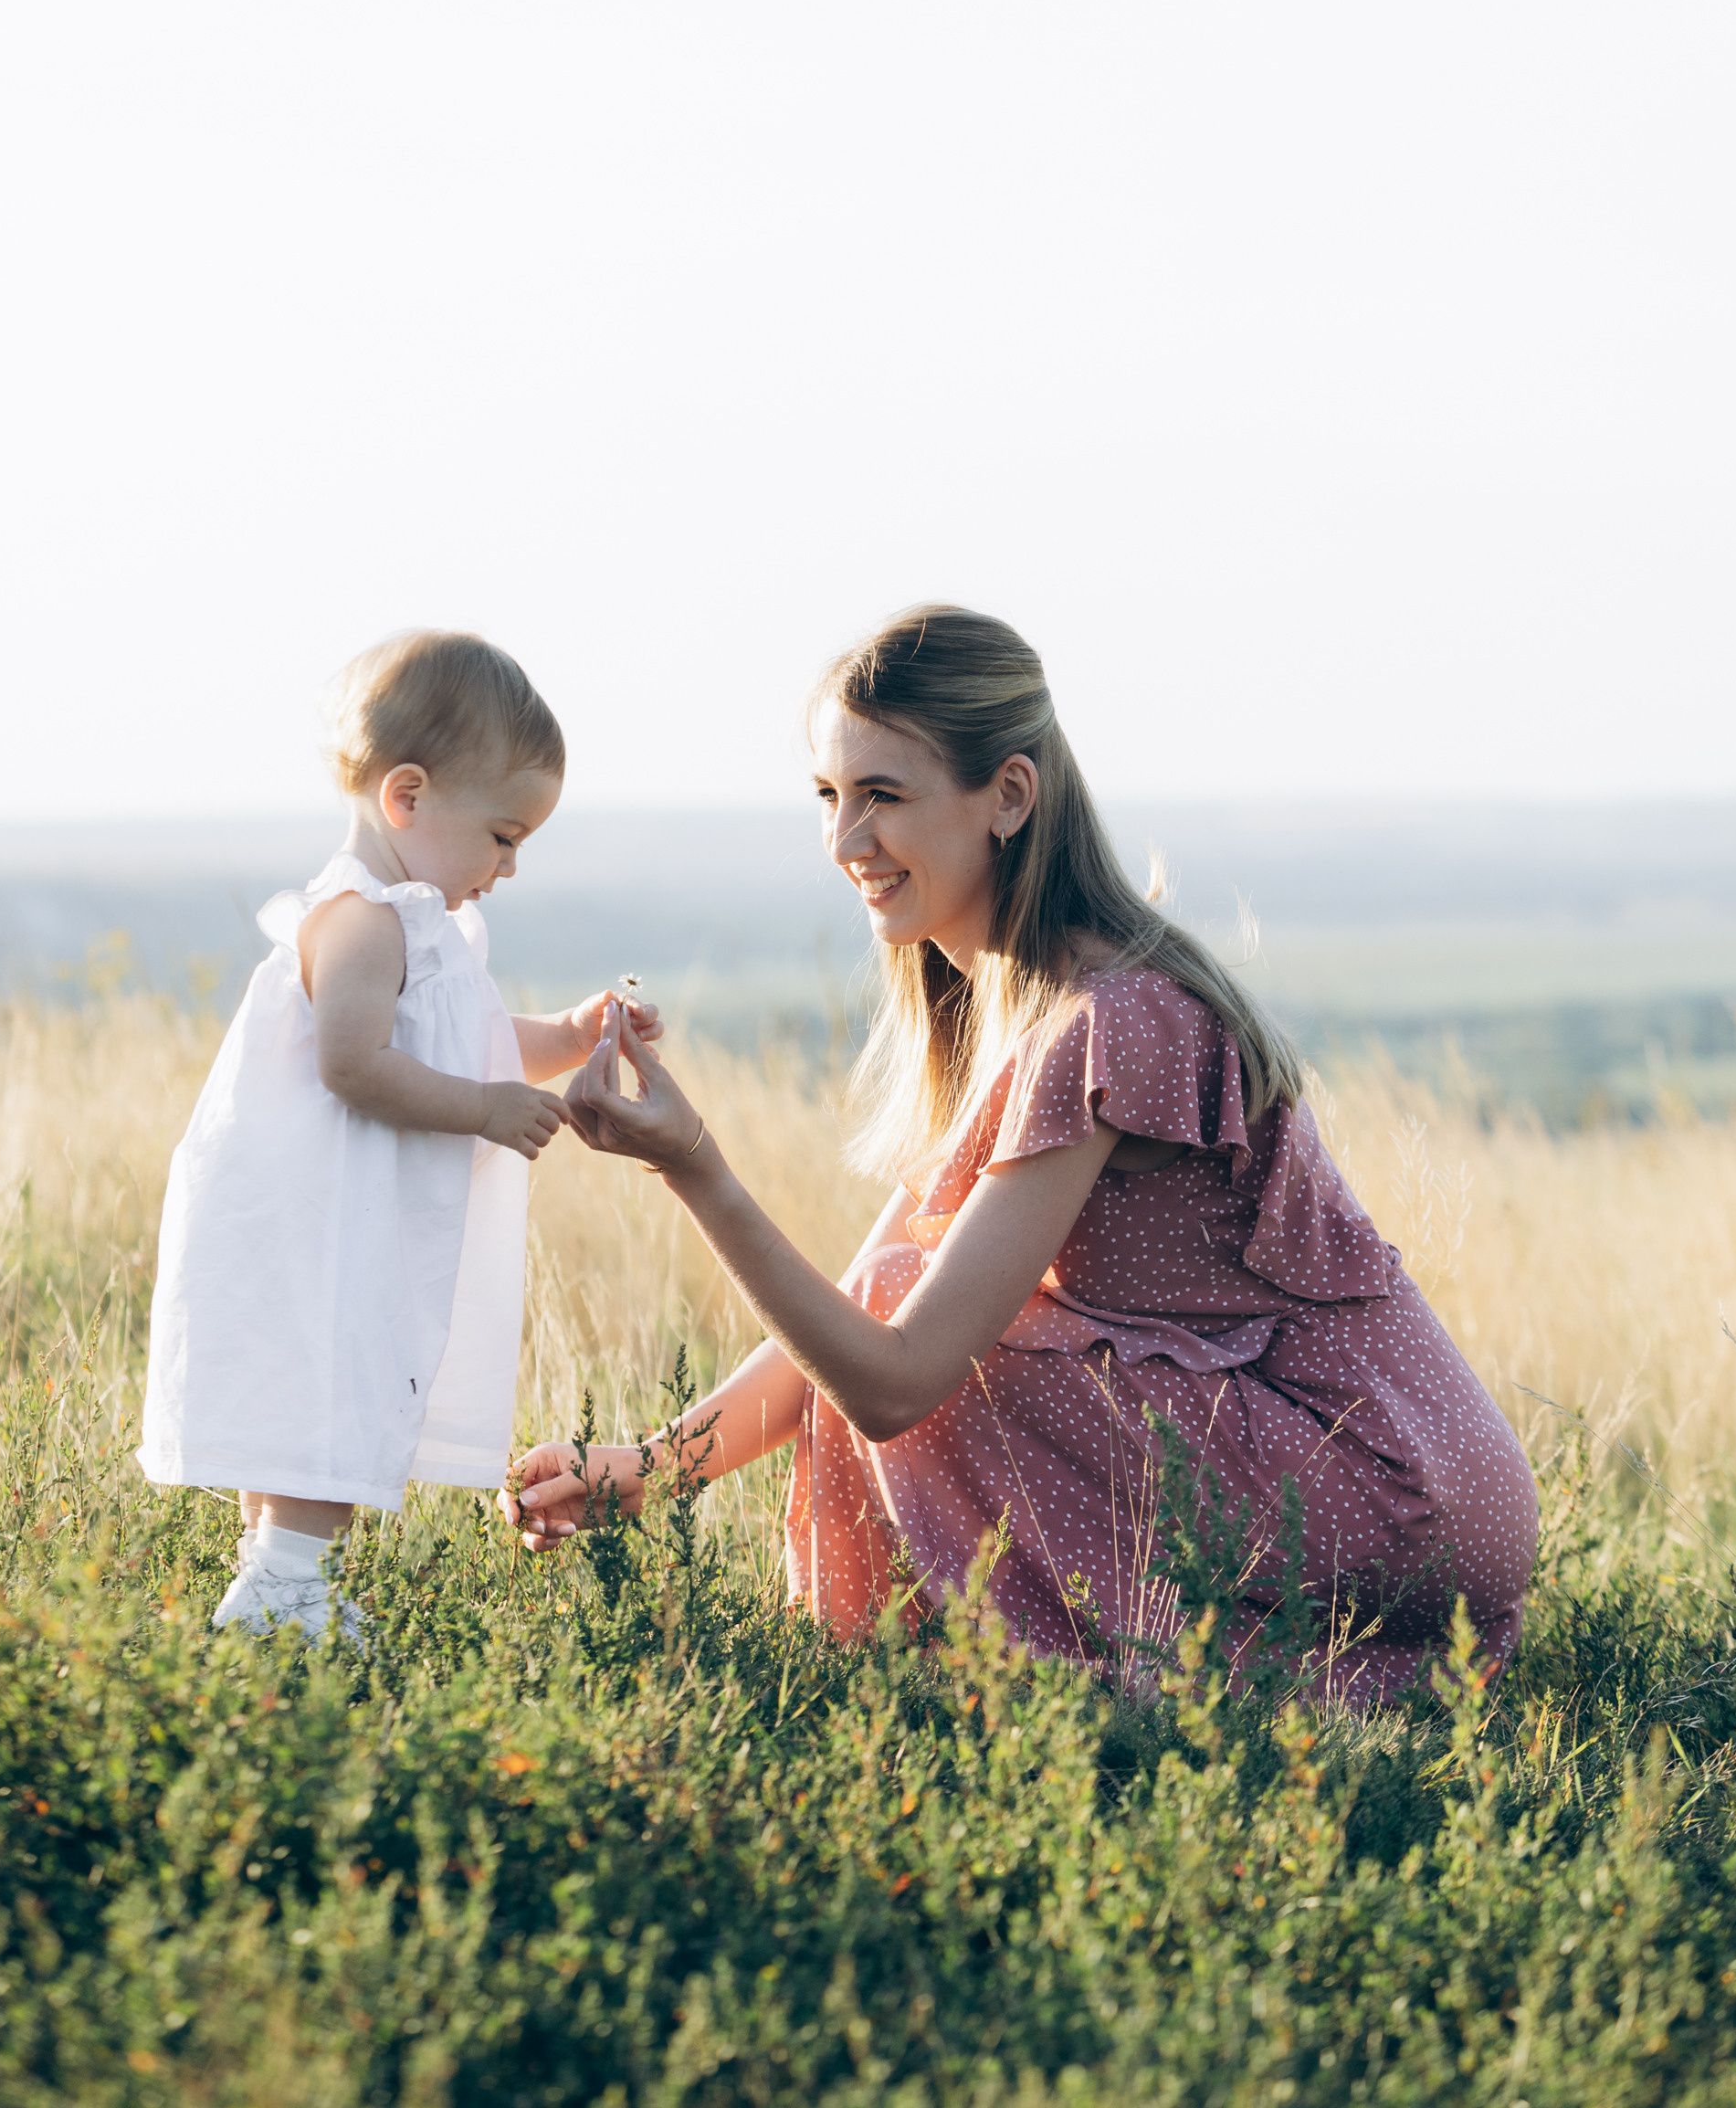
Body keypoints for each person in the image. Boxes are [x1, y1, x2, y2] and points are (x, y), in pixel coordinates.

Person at [510, 606, 1538, 1704]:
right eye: (829, 796)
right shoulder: (1009, 996)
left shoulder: (1109, 1018)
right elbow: (869, 1302)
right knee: (905, 1295)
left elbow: (892, 1381)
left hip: (1392, 1489)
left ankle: (1050, 1687)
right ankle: (1167, 1678)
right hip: (1382, 1485)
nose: (845, 840)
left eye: (884, 796)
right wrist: (652, 1466)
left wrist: (696, 1171)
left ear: (1006, 795)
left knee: (929, 1346)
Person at [139, 628, 660, 1640]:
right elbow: (353, 1062)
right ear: (408, 797)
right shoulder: (361, 919)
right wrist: (483, 1111)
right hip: (321, 1220)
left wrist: (573, 1032)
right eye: (503, 835)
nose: (509, 866)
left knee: (343, 1380)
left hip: (358, 1217)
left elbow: (466, 1036)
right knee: (327, 1385)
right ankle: (283, 1586)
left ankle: (281, 1579)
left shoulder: (420, 922)